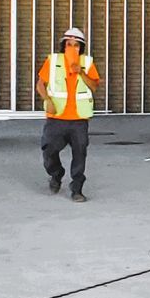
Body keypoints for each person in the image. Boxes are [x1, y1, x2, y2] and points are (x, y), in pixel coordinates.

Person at [35, 26, 101, 202]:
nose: (72, 48)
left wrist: (81, 72)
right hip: (56, 117)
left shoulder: (86, 62)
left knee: (80, 153)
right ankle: (56, 174)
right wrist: (47, 100)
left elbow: (94, 86)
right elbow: (40, 84)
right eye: (69, 44)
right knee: (49, 150)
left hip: (79, 119)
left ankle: (77, 189)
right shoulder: (53, 61)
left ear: (81, 47)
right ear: (63, 45)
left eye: (76, 45)